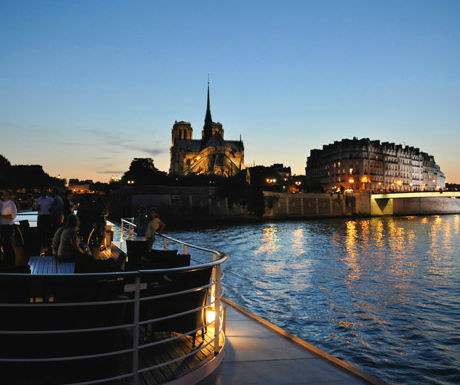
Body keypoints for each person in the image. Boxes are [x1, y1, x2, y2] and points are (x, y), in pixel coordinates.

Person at [0, 190, 18, 266]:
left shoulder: (11, 204)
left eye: (5, 194)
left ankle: (10, 261)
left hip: (8, 227)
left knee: (8, 244)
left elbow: (13, 216)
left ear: (9, 196)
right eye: (3, 194)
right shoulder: (1, 203)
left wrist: (2, 216)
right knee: (4, 244)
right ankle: (5, 260)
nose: (4, 196)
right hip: (2, 226)